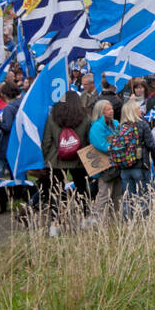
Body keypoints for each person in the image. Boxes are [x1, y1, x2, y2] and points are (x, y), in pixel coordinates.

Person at [37, 90, 92, 233]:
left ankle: (56, 223)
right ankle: (84, 219)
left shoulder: (52, 117)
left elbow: (47, 140)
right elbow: (87, 141)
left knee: (56, 191)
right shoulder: (84, 117)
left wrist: (43, 159)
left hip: (55, 160)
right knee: (81, 189)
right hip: (78, 159)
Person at [87, 99, 121, 224]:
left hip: (116, 164)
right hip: (105, 166)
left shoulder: (116, 123)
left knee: (117, 195)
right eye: (108, 109)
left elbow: (121, 138)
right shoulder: (97, 126)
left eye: (111, 108)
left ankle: (114, 220)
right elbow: (100, 145)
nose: (111, 111)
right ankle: (96, 221)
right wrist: (118, 147)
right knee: (104, 195)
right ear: (101, 112)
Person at [118, 100, 153, 218]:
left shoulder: (121, 127)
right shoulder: (143, 124)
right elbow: (151, 145)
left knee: (127, 197)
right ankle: (143, 222)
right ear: (133, 111)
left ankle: (127, 221)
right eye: (138, 109)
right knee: (143, 195)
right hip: (140, 165)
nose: (141, 111)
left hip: (124, 167)